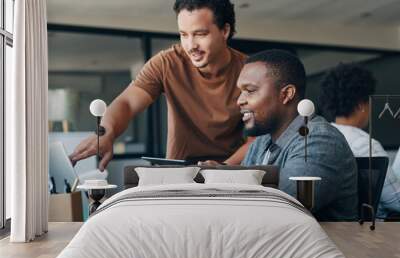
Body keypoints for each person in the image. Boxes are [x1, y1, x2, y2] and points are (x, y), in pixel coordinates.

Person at [69, 0, 252, 171]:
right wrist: (106, 132)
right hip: (178, 172)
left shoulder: (250, 71)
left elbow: (259, 137)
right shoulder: (166, 64)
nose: (191, 45)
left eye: (200, 34)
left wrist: (223, 168)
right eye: (184, 34)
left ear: (225, 31)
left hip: (231, 172)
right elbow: (127, 102)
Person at [238, 50, 358, 221]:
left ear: (286, 94)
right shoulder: (262, 142)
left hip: (324, 245)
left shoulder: (320, 140)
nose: (240, 100)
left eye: (249, 91)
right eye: (240, 91)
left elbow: (284, 207)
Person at [319, 63, 400, 218]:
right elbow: (396, 201)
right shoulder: (366, 145)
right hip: (374, 232)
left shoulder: (321, 136)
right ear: (360, 105)